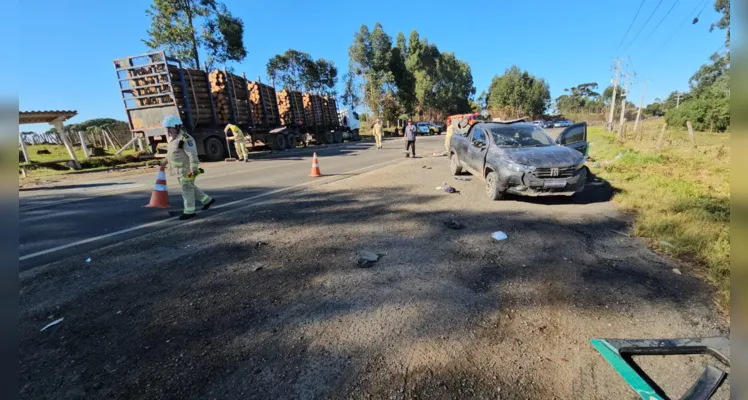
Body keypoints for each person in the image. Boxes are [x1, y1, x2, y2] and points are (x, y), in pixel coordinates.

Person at [161, 116, 215, 220]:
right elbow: (172, 153)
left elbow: (192, 154)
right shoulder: (173, 139)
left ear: (177, 127)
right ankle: (207, 200)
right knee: (189, 186)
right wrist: (164, 161)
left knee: (186, 189)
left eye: (170, 128)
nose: (168, 130)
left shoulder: (185, 138)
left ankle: (189, 211)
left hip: (186, 170)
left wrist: (194, 167)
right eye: (167, 128)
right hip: (178, 170)